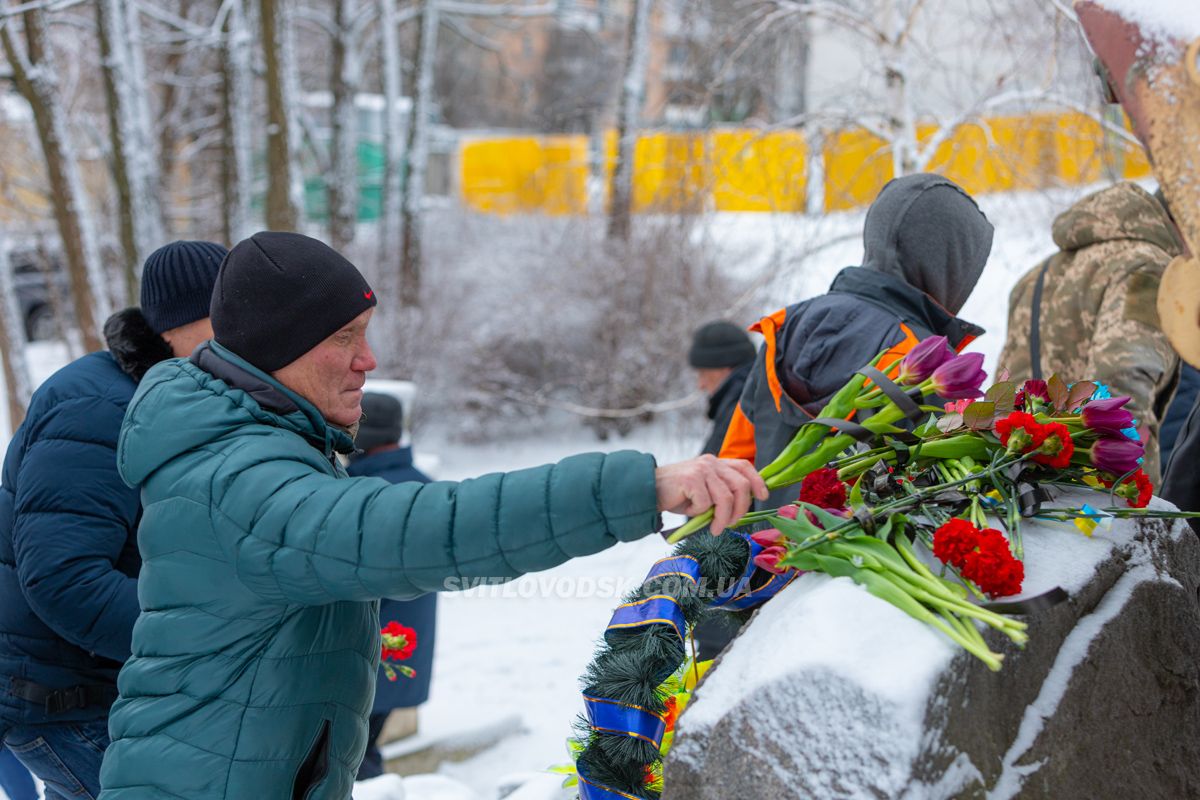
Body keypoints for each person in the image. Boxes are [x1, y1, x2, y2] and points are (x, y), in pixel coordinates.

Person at [96, 231, 765, 799]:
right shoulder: (239, 481)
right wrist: (640, 488)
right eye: (346, 337)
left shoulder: (251, 447)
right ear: (279, 352)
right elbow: (425, 529)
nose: (370, 360)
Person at [0, 240, 226, 799]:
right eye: (227, 319)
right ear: (179, 324)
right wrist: (201, 637)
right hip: (59, 696)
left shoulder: (174, 396)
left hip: (105, 688)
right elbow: (63, 575)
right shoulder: (103, 405)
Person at [720, 173, 992, 508]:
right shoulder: (924, 362)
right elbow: (940, 500)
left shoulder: (787, 323)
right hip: (856, 558)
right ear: (953, 265)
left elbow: (733, 464)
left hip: (763, 550)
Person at [999, 182, 1182, 486]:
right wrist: (1124, 498)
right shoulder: (1151, 267)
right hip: (1102, 494)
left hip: (1025, 485)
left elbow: (1005, 392)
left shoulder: (1036, 275)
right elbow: (1122, 385)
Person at [348, 392, 435, 780]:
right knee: (363, 752)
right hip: (404, 647)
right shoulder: (424, 487)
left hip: (363, 654)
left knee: (353, 760)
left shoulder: (361, 494)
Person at [688, 321, 756, 456]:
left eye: (703, 373)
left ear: (726, 367)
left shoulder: (740, 410)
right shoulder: (750, 398)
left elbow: (709, 472)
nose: (701, 385)